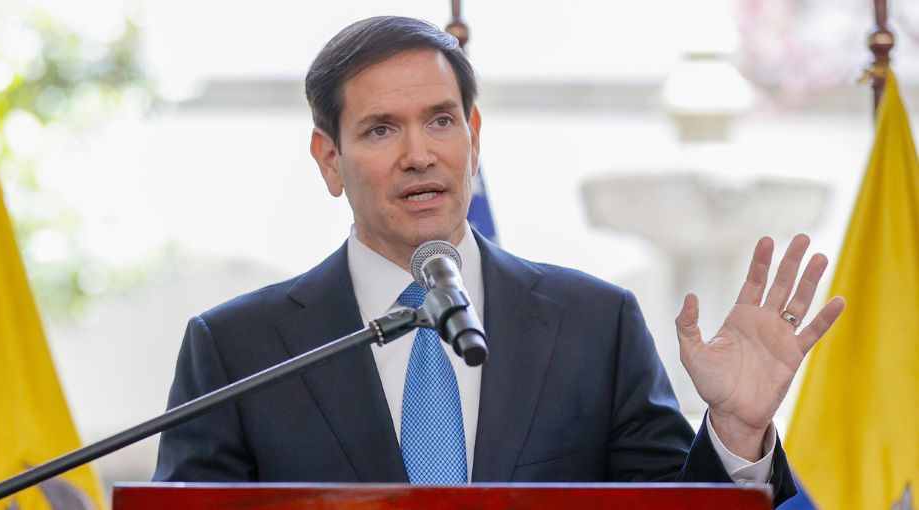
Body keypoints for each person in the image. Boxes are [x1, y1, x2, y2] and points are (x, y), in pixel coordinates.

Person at [153, 16, 844, 507]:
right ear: (329, 159)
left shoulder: (594, 325)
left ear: (474, 136)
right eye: (381, 129)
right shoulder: (238, 350)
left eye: (441, 120)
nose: (419, 154)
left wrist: (735, 432)